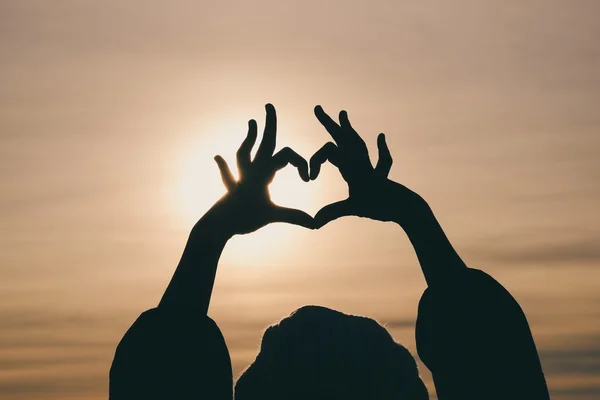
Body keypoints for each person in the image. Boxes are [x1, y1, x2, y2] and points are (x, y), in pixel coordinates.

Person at [109, 103, 550, 399]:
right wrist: (412, 215)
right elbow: (492, 352)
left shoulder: (170, 357)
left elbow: (159, 366)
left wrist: (211, 234)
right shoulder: (477, 335)